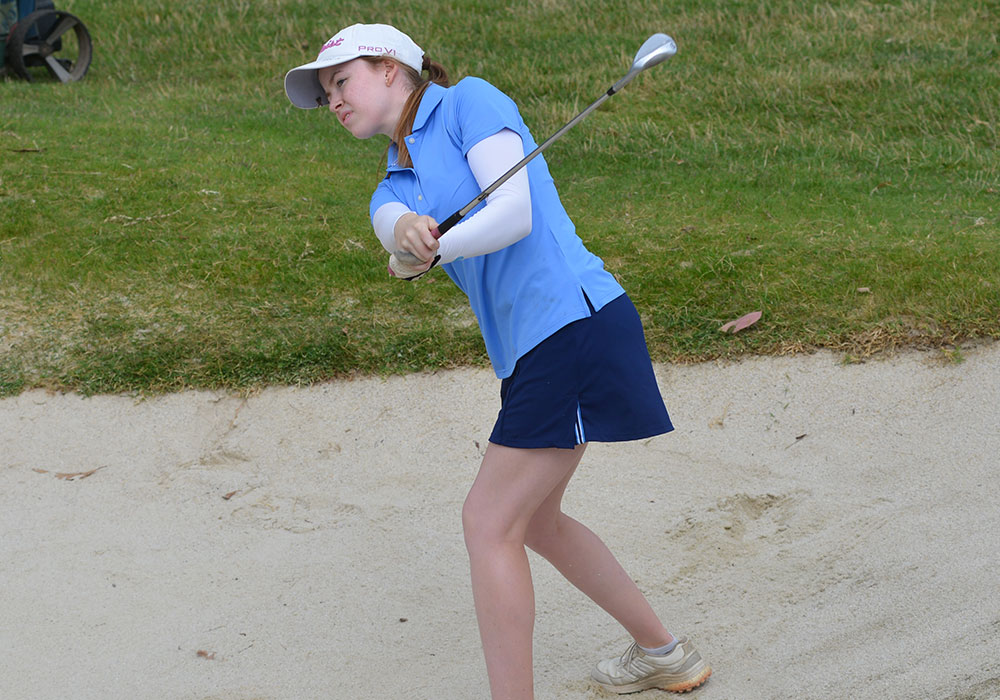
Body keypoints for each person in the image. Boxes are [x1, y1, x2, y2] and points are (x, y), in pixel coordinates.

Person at [284, 23, 711, 698]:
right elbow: (393, 230)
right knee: (533, 521)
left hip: (572, 322)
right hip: (532, 350)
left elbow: (513, 213)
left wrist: (437, 248)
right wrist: (408, 238)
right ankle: (665, 654)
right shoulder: (390, 186)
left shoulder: (469, 103)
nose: (332, 100)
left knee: (487, 522)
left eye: (341, 81)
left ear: (391, 68)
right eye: (324, 95)